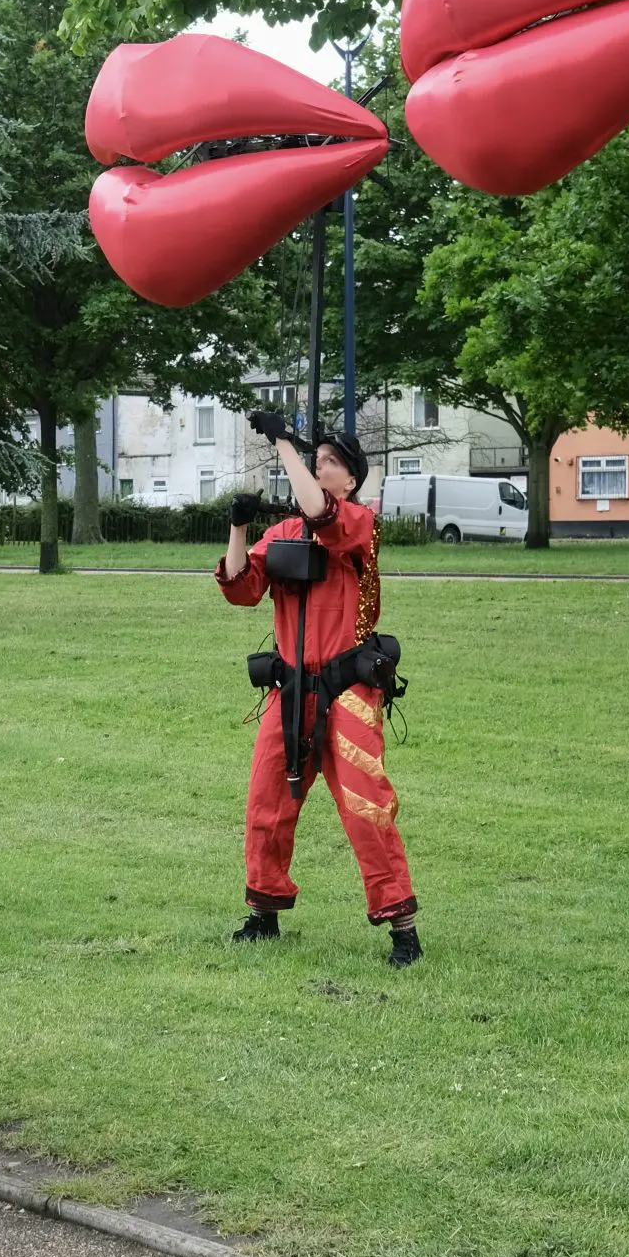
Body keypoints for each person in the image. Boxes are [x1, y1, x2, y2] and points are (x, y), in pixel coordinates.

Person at [219, 412, 420, 966]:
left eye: (331, 463)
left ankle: (402, 924)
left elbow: (322, 514)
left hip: (348, 690)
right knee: (266, 803)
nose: (320, 468)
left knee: (365, 807)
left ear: (350, 479)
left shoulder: (360, 524)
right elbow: (240, 589)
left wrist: (284, 441)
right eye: (317, 460)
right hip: (290, 693)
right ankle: (264, 914)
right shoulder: (283, 535)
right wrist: (237, 528)